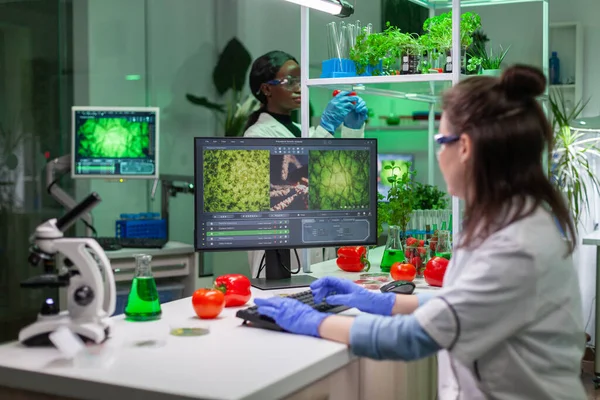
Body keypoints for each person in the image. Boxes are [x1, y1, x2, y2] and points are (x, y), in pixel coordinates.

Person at [254, 65, 587, 399]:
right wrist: (381, 301)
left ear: (466, 147)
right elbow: (459, 305)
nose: (440, 154)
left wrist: (310, 322)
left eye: (442, 141)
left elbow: (413, 337)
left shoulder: (516, 245)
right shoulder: (505, 221)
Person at [243, 50, 368, 278]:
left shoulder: (304, 132)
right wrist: (327, 127)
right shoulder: (256, 136)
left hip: (315, 247)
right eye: (290, 81)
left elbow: (342, 173)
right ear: (266, 89)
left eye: (300, 81)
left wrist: (352, 128)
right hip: (279, 256)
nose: (299, 88)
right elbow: (298, 175)